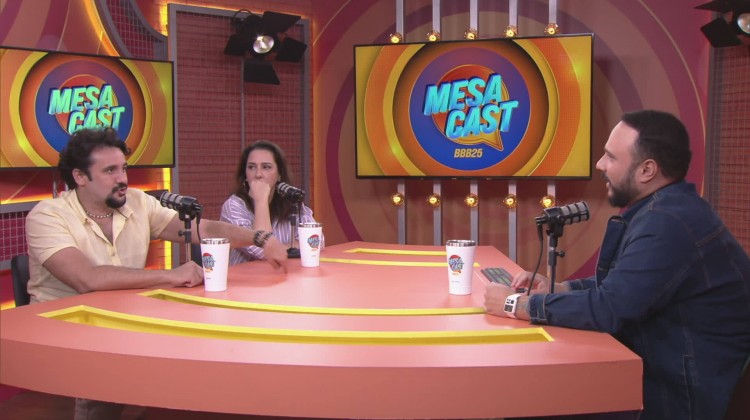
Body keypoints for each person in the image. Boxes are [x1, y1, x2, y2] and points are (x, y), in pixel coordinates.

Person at [484, 110, 750, 420]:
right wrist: (562, 288)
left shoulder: (668, 222)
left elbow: (609, 309)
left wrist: (514, 304)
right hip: (661, 372)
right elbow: (625, 287)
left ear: (647, 170)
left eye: (611, 157)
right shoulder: (668, 209)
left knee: (522, 403)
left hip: (675, 396)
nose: (600, 164)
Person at [25, 127, 288, 419]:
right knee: (110, 375)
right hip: (61, 330)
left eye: (124, 168)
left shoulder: (138, 202)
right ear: (80, 176)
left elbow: (202, 228)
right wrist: (171, 275)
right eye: (110, 171)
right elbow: (86, 278)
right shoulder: (47, 216)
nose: (122, 179)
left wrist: (258, 238)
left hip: (122, 318)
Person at [220, 140, 320, 264]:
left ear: (279, 174)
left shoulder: (291, 201)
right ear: (245, 174)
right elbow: (261, 250)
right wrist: (261, 201)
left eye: (266, 167)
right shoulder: (234, 206)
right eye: (251, 167)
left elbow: (316, 241)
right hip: (247, 276)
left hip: (287, 273)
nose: (258, 174)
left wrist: (279, 249)